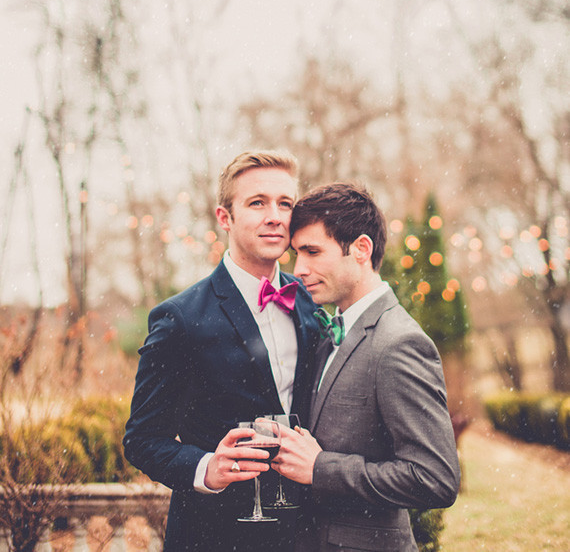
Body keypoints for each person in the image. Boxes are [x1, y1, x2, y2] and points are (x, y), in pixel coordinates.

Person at [123, 150, 320, 552]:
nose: (275, 216)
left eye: (285, 203)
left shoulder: (310, 304)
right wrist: (206, 468)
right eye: (257, 203)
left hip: (303, 531)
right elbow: (142, 438)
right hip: (212, 534)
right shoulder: (180, 318)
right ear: (224, 217)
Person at [272, 182, 461, 552]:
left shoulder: (399, 343)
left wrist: (321, 468)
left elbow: (435, 478)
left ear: (361, 249)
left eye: (312, 251)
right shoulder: (330, 331)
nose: (299, 269)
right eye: (296, 254)